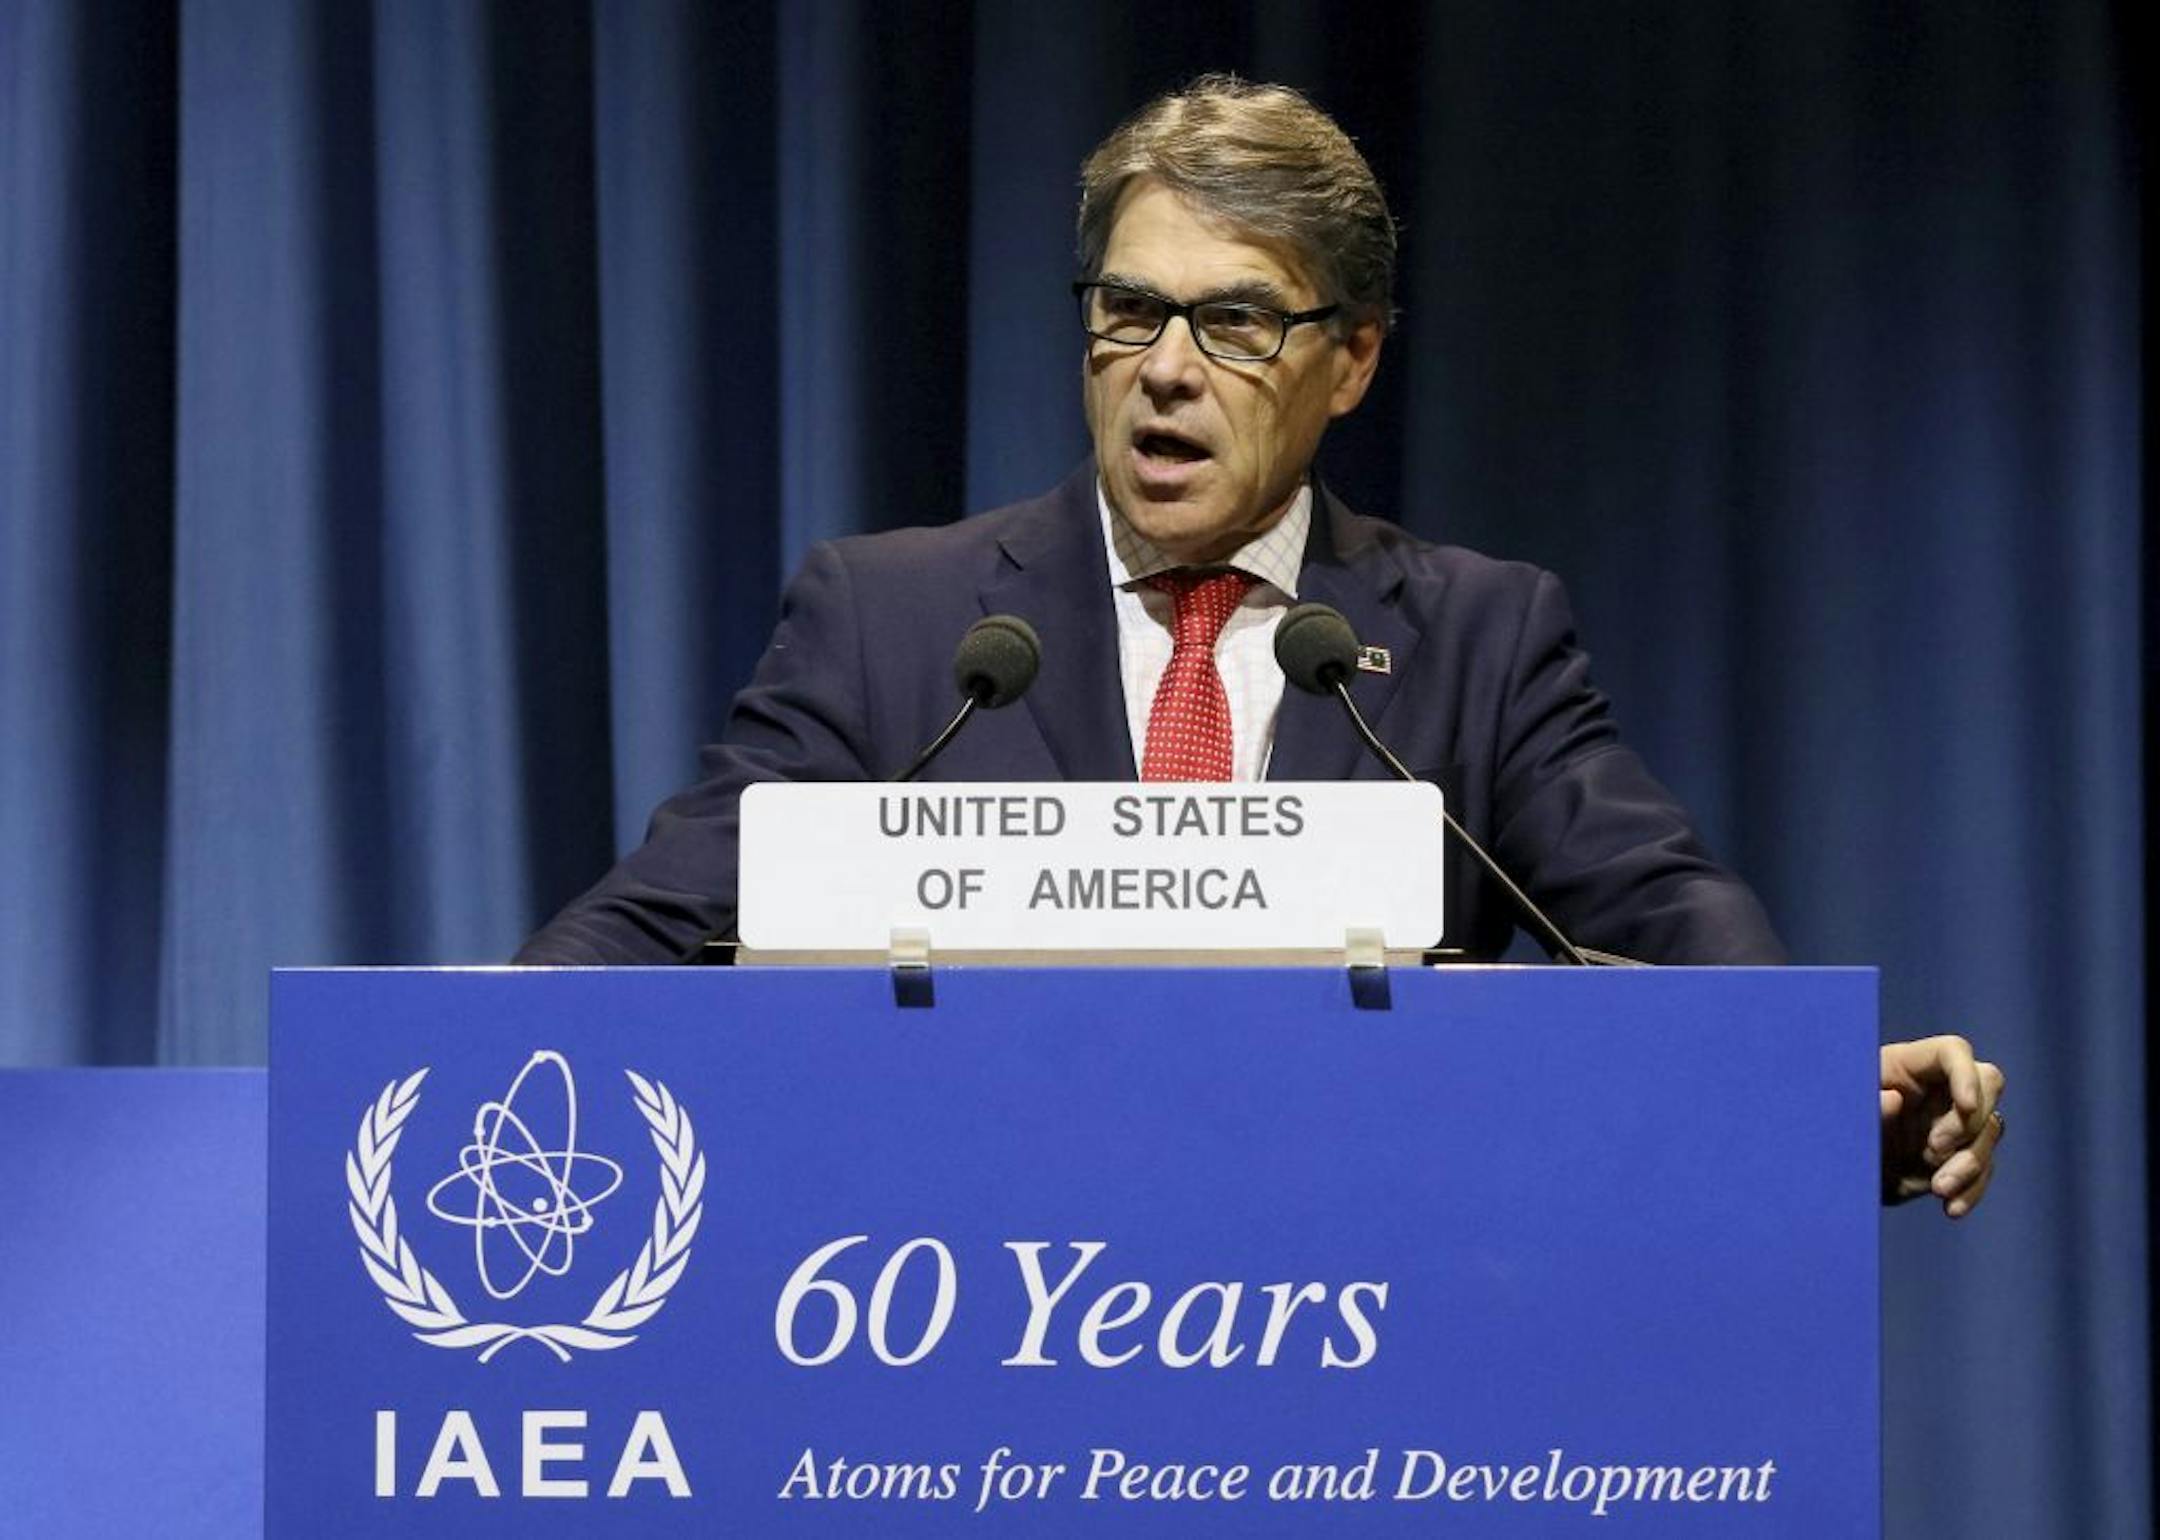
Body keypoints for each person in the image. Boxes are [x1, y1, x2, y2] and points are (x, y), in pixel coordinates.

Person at [517, 75, 2003, 1217]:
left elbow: (1666, 922)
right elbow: (657, 920)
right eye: (1130, 312)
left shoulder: (1480, 637)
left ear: (1348, 359)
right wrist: (478, 1074)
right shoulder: (897, 622)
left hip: (1354, 1349)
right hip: (968, 1339)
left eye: (1234, 322)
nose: (1166, 370)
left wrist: (1816, 1086)